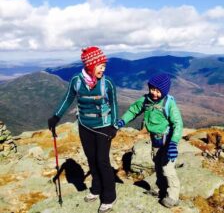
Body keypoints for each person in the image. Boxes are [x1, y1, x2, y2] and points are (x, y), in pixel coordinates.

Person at [48, 46, 118, 213]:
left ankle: (109, 196)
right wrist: (56, 116)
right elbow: (67, 99)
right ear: (90, 65)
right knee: (91, 159)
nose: (103, 68)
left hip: (103, 127)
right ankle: (96, 188)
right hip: (84, 126)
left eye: (104, 65)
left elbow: (114, 105)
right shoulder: (76, 81)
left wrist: (113, 126)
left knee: (102, 160)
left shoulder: (107, 83)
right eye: (100, 65)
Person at [118, 73, 183, 208]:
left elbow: (178, 123)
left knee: (167, 168)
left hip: (168, 142)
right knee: (158, 166)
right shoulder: (146, 100)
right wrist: (122, 120)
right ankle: (161, 189)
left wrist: (174, 143)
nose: (154, 93)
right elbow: (133, 110)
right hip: (156, 141)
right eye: (152, 89)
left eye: (158, 91)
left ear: (164, 91)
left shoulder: (168, 103)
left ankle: (173, 196)